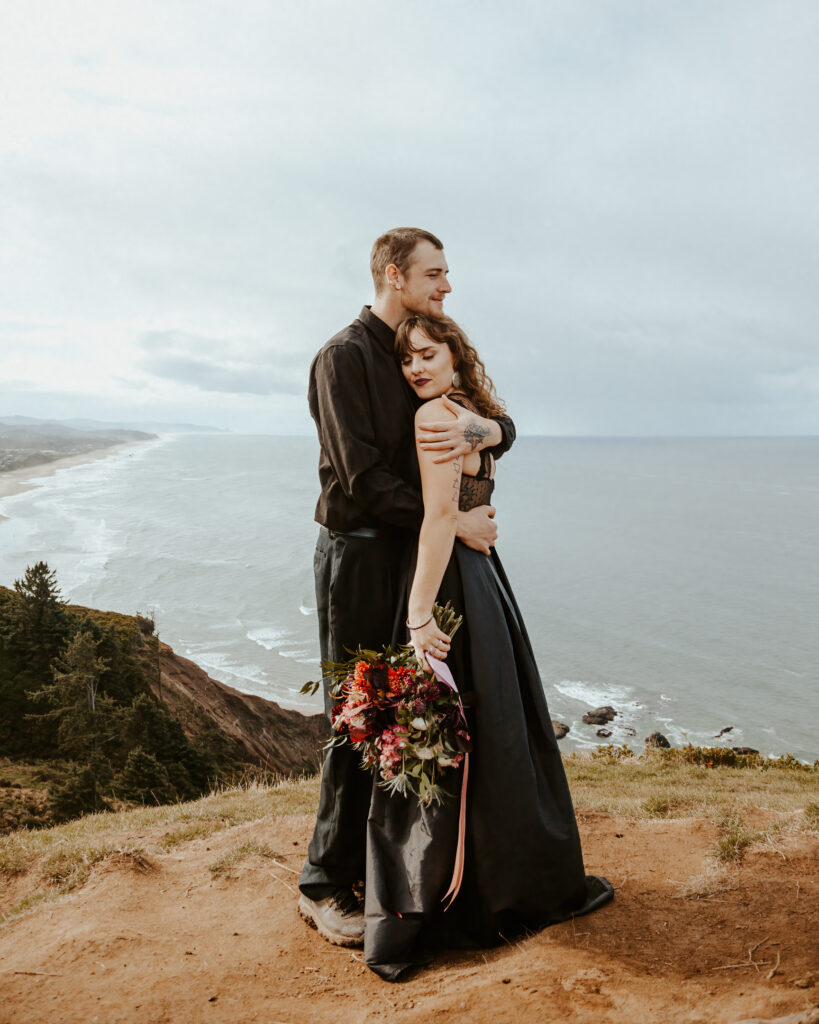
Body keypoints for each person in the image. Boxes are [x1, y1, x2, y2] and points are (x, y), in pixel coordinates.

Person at [360, 313, 614, 980]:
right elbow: (478, 481)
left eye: (426, 354)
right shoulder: (471, 414)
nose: (415, 367)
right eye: (405, 360)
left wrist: (417, 617)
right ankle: (510, 886)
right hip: (484, 584)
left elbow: (442, 518)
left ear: (452, 356)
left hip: (447, 580)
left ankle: (442, 903)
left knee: (436, 735)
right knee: (496, 728)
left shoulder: (430, 420)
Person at [298, 228, 517, 947]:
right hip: (358, 557)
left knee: (397, 711)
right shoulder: (342, 358)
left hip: (406, 556)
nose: (446, 284)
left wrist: (487, 430)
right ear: (395, 275)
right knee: (355, 711)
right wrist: (454, 524)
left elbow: (487, 418)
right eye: (434, 272)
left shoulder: (416, 351)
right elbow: (362, 482)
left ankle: (381, 865)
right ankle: (322, 884)